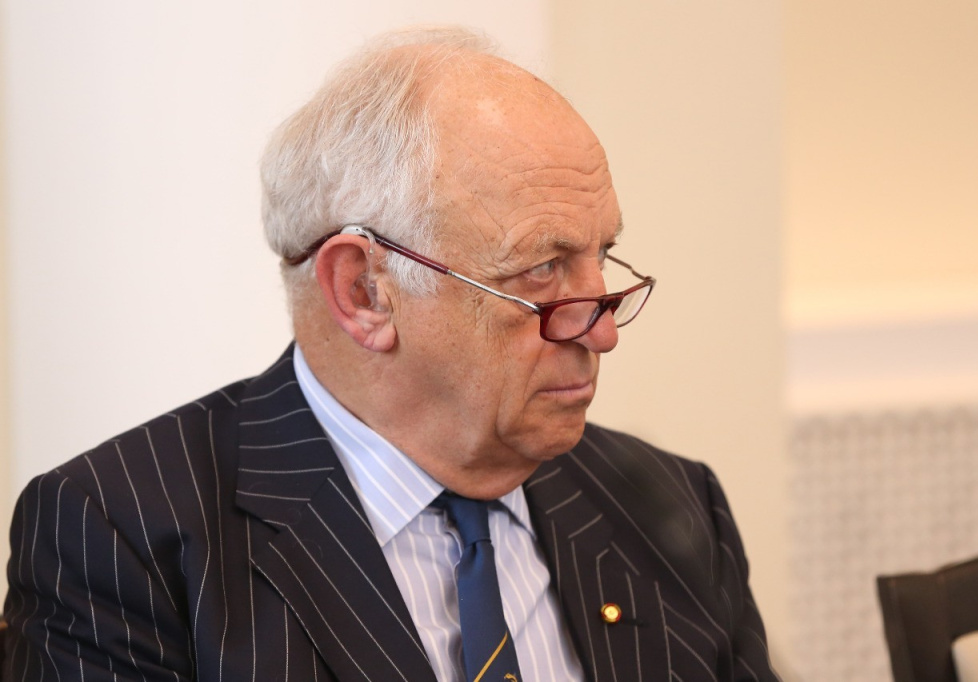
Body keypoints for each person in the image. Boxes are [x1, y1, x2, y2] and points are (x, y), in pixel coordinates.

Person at [3, 26, 778, 681]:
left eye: (600, 257)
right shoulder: (124, 534)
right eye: (542, 270)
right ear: (365, 292)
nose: (601, 331)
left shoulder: (668, 505)